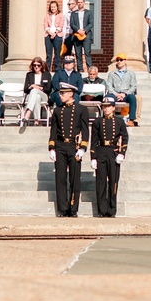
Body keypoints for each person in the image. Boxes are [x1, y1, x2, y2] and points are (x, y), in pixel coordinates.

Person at [48, 81, 87, 216]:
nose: (60, 95)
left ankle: (73, 207)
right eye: (60, 93)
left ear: (71, 94)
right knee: (60, 178)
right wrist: (51, 147)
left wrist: (83, 148)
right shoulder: (58, 110)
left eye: (63, 93)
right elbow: (53, 130)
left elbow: (85, 130)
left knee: (75, 179)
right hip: (60, 146)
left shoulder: (81, 109)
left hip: (73, 146)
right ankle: (62, 208)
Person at [90, 98, 128, 217]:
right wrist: (93, 157)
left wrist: (122, 153)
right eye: (104, 106)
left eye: (108, 106)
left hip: (113, 152)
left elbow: (125, 138)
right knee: (101, 183)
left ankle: (112, 210)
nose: (106, 108)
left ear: (113, 107)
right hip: (101, 151)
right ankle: (101, 210)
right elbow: (94, 140)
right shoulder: (98, 122)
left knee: (113, 182)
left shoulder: (119, 121)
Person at [105, 54, 139, 126]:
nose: (119, 61)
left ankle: (131, 120)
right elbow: (109, 86)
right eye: (118, 60)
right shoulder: (112, 74)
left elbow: (133, 86)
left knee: (133, 97)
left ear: (125, 61)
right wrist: (116, 94)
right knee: (108, 98)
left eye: (121, 60)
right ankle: (107, 117)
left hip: (126, 94)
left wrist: (125, 94)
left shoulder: (131, 74)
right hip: (115, 94)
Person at [21, 58, 52, 125]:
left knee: (35, 91)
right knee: (36, 95)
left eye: (38, 65)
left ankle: (28, 113)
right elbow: (25, 89)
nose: (36, 67)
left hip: (43, 95)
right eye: (34, 65)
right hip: (32, 95)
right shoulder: (29, 75)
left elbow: (49, 89)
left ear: (41, 66)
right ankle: (37, 120)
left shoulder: (47, 74)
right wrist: (32, 86)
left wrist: (40, 88)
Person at [69, 0, 92, 69]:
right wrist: (78, 30)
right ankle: (80, 70)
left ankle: (90, 69)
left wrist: (84, 31)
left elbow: (91, 23)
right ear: (77, 3)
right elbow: (72, 24)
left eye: (81, 2)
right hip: (77, 35)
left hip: (87, 35)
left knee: (87, 53)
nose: (80, 3)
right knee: (78, 53)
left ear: (84, 3)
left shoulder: (89, 12)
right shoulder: (73, 13)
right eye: (78, 2)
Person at [43, 0, 63, 71]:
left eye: (54, 7)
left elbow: (61, 25)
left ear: (57, 7)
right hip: (48, 36)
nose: (53, 8)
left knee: (57, 54)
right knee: (49, 54)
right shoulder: (47, 16)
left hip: (57, 35)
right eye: (51, 7)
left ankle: (57, 69)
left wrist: (55, 33)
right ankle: (47, 69)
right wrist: (50, 33)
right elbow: (45, 26)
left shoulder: (60, 15)